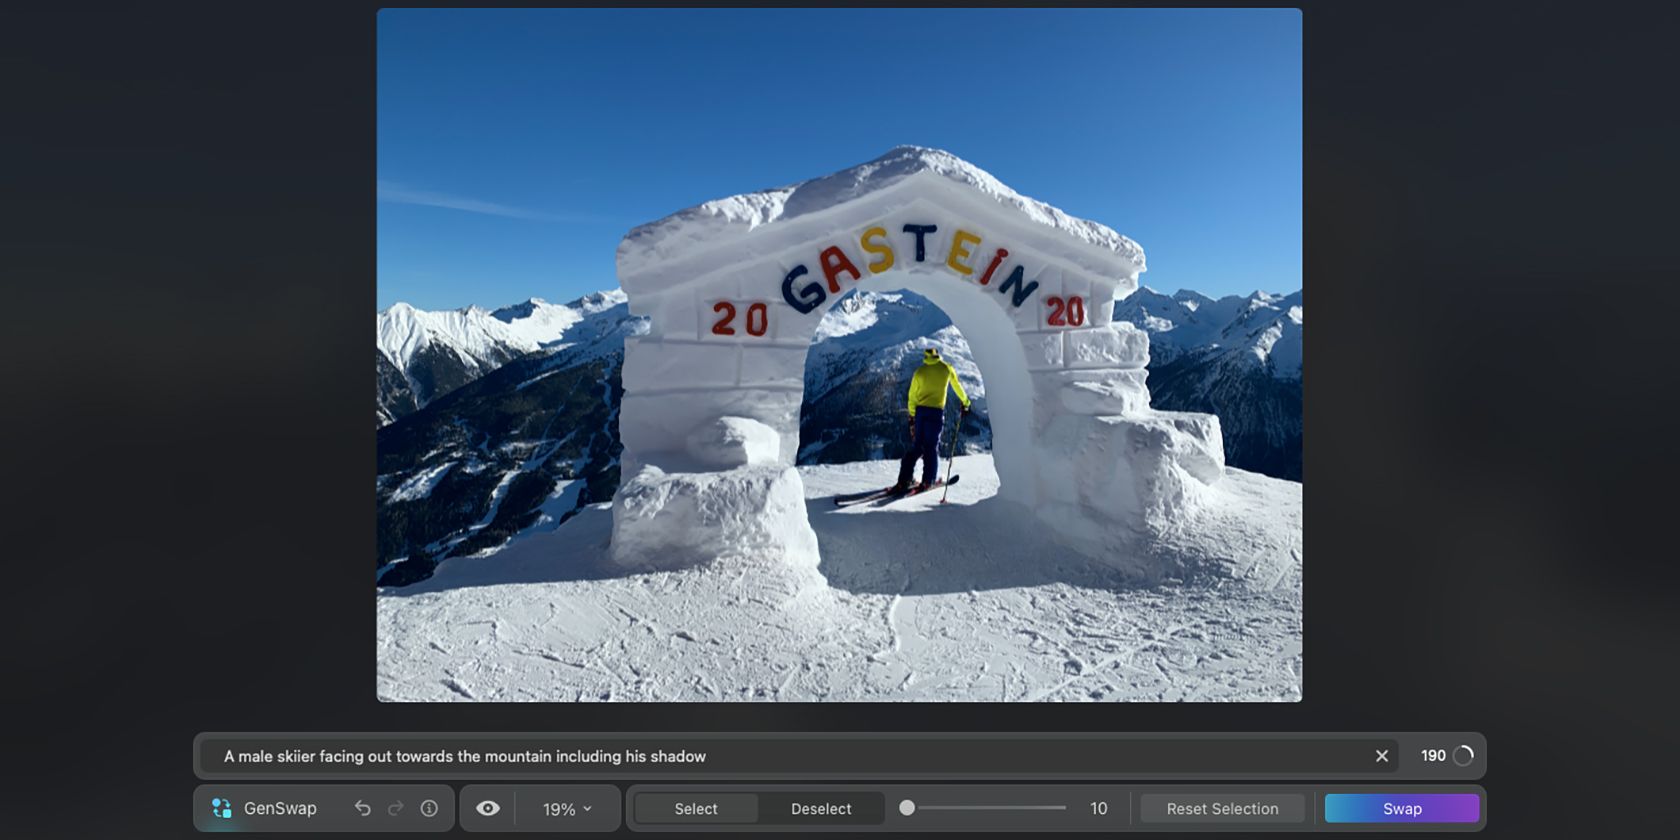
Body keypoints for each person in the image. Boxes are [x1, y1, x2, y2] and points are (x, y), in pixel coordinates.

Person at [891, 347, 971, 493]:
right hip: (936, 412)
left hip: (920, 412)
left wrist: (912, 415)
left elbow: (912, 395)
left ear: (926, 356)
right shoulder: (946, 368)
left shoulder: (920, 372)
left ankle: (904, 479)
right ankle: (928, 481)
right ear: (937, 355)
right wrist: (966, 403)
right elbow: (957, 386)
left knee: (917, 446)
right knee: (931, 447)